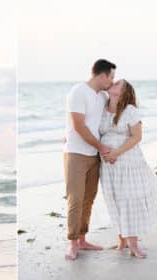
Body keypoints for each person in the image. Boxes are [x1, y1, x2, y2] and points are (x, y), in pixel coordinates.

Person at [63, 59, 116, 260]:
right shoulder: (78, 91)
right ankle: (73, 243)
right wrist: (102, 147)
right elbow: (78, 125)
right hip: (76, 153)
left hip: (93, 156)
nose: (112, 81)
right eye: (111, 77)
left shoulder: (102, 96)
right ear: (102, 76)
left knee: (88, 200)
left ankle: (83, 239)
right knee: (75, 199)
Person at [100, 79, 157, 258]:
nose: (113, 83)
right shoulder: (102, 108)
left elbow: (136, 137)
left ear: (124, 92)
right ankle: (122, 239)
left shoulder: (130, 110)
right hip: (109, 167)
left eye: (118, 84)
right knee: (114, 200)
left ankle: (134, 244)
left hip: (128, 163)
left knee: (129, 200)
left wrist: (116, 152)